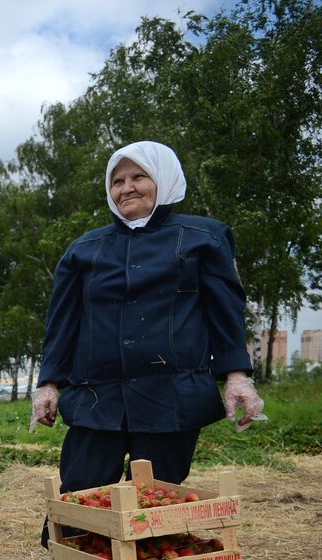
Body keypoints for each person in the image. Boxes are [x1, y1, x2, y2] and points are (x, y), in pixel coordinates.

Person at [31, 141, 264, 537]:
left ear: (165, 180)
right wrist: (49, 384)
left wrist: (237, 376)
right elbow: (62, 321)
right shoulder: (84, 250)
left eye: (139, 176)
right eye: (118, 180)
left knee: (156, 502)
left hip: (170, 396)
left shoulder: (202, 238)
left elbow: (225, 310)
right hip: (97, 397)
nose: (127, 188)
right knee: (81, 497)